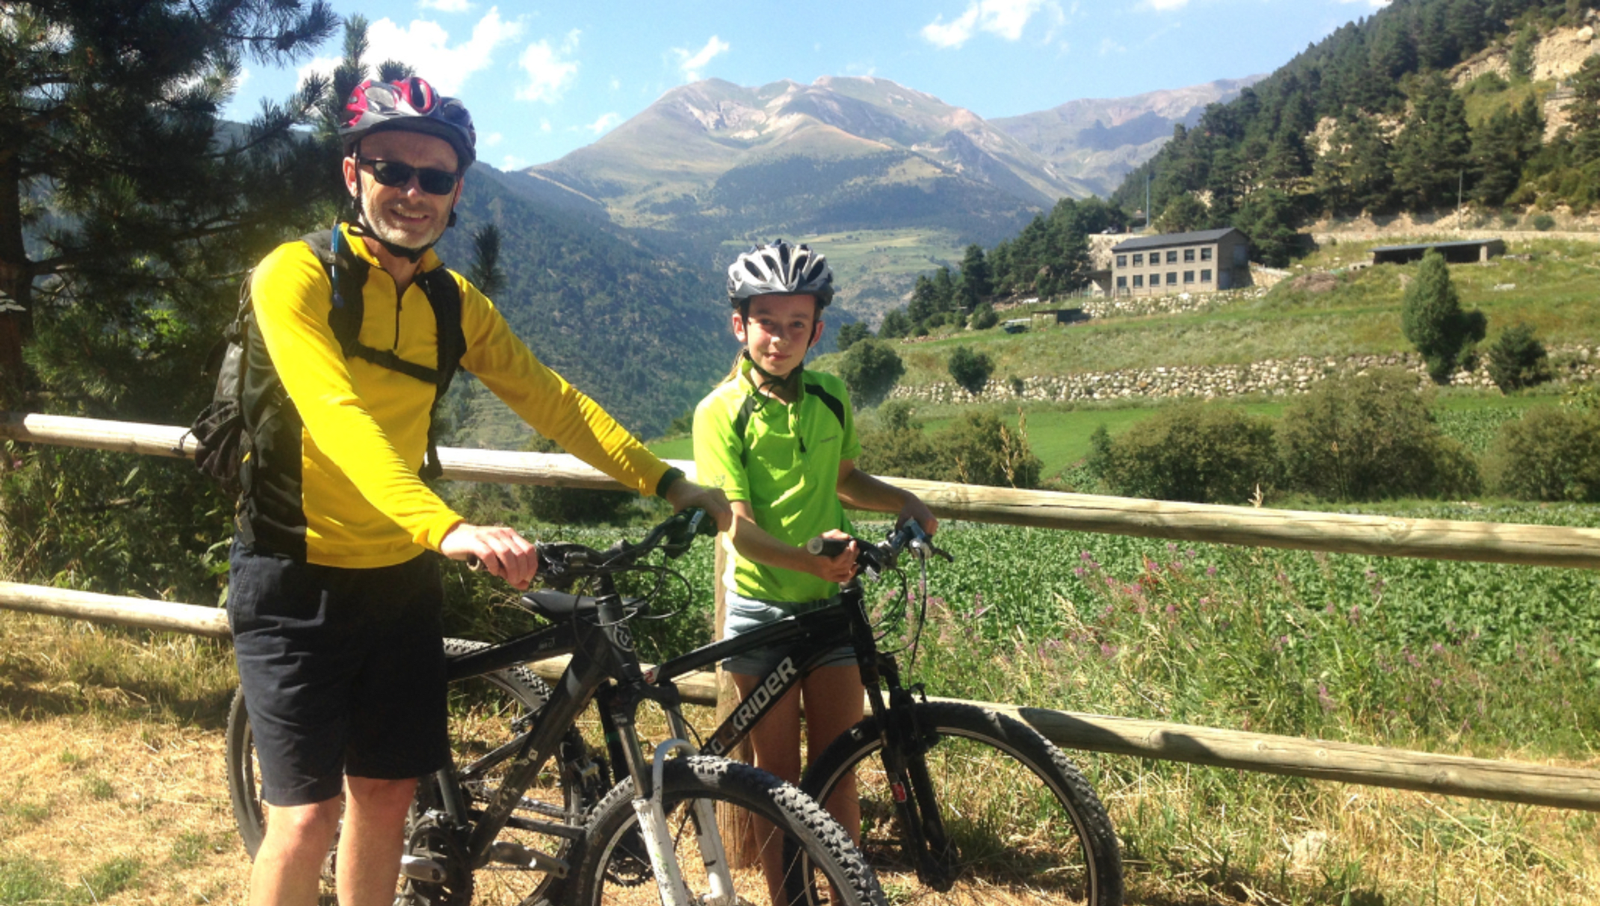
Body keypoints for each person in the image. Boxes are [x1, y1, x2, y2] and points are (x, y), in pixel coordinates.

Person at [228, 75, 731, 906]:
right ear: (352, 173)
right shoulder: (296, 275)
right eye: (392, 169)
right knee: (307, 818)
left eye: (435, 176)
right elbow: (335, 414)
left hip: (398, 581)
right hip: (294, 575)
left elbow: (553, 402)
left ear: (457, 191)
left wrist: (667, 481)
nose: (413, 192)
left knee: (385, 796)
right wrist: (447, 526)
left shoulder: (452, 303)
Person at [692, 240, 937, 903]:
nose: (780, 338)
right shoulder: (720, 412)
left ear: (817, 331)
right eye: (766, 322)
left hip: (830, 610)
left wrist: (905, 500)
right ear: (739, 325)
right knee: (775, 780)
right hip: (763, 613)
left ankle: (847, 896)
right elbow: (737, 529)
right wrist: (807, 560)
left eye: (796, 324)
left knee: (839, 770)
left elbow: (845, 479)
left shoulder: (830, 394)